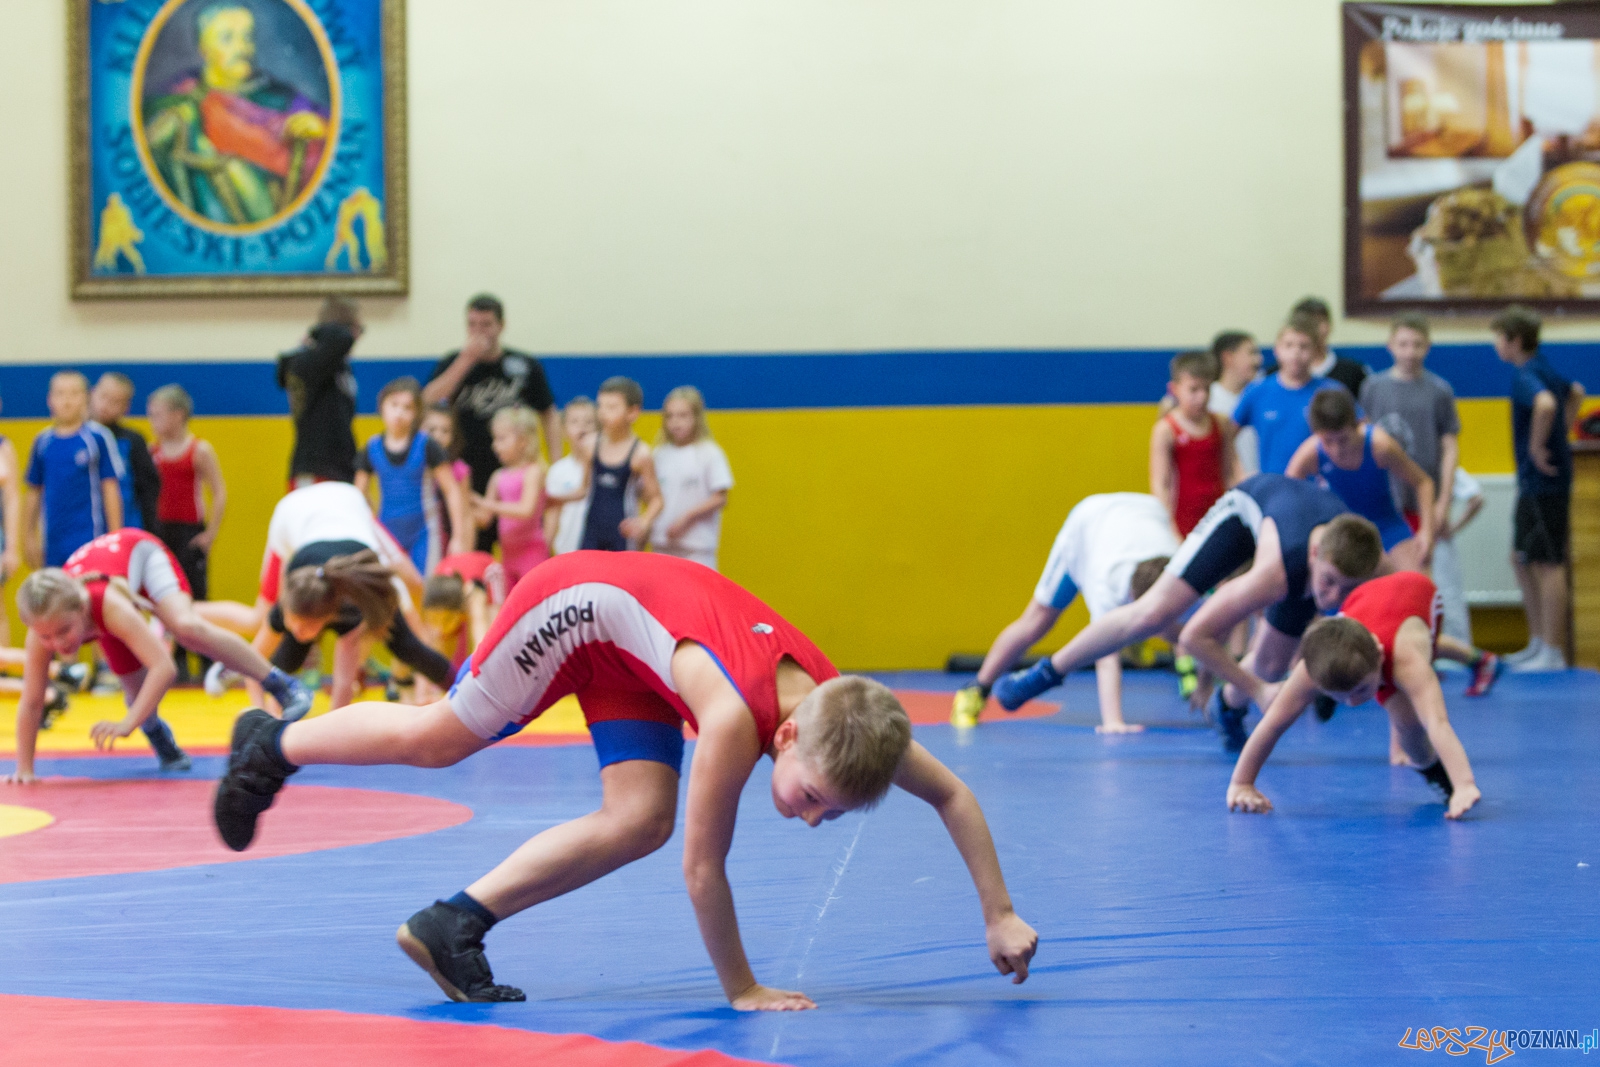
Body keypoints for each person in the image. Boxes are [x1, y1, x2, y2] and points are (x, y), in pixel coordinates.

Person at [212, 551, 1039, 1008]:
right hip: (576, 605)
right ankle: (272, 744)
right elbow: (702, 869)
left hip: (638, 647)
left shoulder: (856, 717)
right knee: (441, 737)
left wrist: (999, 914)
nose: (813, 819)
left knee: (641, 816)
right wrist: (742, 988)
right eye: (812, 797)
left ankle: (450, 925)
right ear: (782, 733)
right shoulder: (729, 719)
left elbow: (953, 793)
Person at [995, 474, 1383, 752]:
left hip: (1294, 530)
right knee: (1153, 613)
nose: (1333, 597)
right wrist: (1257, 691)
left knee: (1271, 661)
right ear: (1316, 556)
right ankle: (1046, 672)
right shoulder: (1274, 574)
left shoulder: (1356, 563)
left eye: (1347, 588)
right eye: (1330, 582)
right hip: (1242, 514)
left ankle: (1227, 710)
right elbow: (1193, 637)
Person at [5, 529, 314, 782]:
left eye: (64, 631)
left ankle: (281, 684)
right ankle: (161, 738)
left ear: (82, 609)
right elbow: (32, 701)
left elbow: (164, 668)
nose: (56, 643)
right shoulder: (43, 627)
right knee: (136, 694)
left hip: (140, 552)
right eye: (46, 636)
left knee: (185, 626)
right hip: (107, 597)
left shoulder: (107, 605)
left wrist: (127, 723)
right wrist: (25, 769)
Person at [1225, 571, 1489, 821]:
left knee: (1410, 730)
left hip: (1420, 594)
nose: (1353, 703)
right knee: (1331, 682)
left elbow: (1437, 722)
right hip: (1363, 598)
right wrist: (1241, 783)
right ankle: (1338, 689)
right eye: (1343, 697)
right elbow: (1272, 724)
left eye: (1361, 691)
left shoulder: (1405, 660)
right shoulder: (1310, 668)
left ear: (1379, 654)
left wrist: (1463, 784)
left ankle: (1437, 774)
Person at [950, 493, 1177, 732]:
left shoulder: (1180, 579)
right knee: (1036, 621)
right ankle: (975, 689)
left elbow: (1198, 630)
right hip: (1086, 527)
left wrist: (1202, 686)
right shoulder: (1106, 583)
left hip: (1147, 512)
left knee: (1169, 623)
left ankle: (1133, 633)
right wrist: (1113, 721)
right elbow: (1105, 656)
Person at [234, 482, 453, 715]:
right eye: (294, 623)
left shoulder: (351, 609)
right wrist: (262, 715)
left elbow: (343, 685)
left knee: (406, 646)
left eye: (307, 626)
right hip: (292, 514)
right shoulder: (289, 602)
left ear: (330, 615)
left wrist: (333, 730)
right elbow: (253, 663)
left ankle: (462, 688)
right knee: (290, 655)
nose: (298, 631)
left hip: (349, 504)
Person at [141, 3, 330, 226]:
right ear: (204, 48)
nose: (243, 49)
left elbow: (329, 130)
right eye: (227, 38)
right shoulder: (181, 101)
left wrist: (319, 128)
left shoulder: (281, 96)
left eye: (247, 38)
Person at [423, 295, 560, 550]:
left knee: (522, 546)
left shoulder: (523, 365)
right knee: (472, 548)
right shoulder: (453, 361)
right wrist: (465, 361)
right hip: (466, 472)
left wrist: (555, 464)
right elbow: (428, 400)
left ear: (501, 325)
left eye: (485, 324)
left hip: (516, 473)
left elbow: (549, 414)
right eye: (472, 324)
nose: (478, 331)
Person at [1493, 305, 1585, 672]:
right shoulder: (1542, 366)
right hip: (1537, 483)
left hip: (1544, 481)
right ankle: (1537, 641)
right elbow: (1574, 392)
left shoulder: (1526, 374)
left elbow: (1546, 404)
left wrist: (1536, 445)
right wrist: (1562, 428)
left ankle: (1552, 649)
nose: (1496, 345)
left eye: (1498, 338)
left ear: (1513, 341)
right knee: (1520, 557)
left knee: (1548, 562)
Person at [1286, 388, 1435, 572]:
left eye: (1343, 440)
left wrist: (1426, 531)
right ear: (1317, 434)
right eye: (1328, 441)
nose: (1336, 449)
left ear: (1357, 425)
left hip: (1386, 526)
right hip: (1340, 534)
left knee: (1418, 584)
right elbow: (1287, 499)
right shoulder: (1310, 454)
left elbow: (1423, 483)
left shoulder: (1380, 446)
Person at [355, 377, 471, 575]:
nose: (399, 413)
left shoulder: (427, 445)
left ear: (417, 414)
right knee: (391, 590)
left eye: (407, 408)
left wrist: (458, 536)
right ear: (382, 407)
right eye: (394, 405)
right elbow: (358, 494)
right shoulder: (371, 447)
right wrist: (370, 525)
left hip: (424, 532)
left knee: (424, 590)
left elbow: (451, 490)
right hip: (387, 531)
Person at [1359, 316, 1460, 539]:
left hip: (1422, 500)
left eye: (1417, 345)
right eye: (1403, 344)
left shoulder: (1439, 390)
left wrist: (1443, 502)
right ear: (1390, 346)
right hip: (1382, 497)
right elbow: (1363, 441)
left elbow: (1450, 449)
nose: (1410, 352)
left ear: (1428, 347)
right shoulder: (1372, 388)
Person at [23, 371, 123, 568]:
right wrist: (28, 537)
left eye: (74, 394)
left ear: (87, 397)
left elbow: (110, 489)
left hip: (89, 539)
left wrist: (114, 538)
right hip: (52, 543)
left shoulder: (97, 438)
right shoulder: (43, 442)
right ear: (50, 400)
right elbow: (34, 492)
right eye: (60, 394)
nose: (67, 401)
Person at [1232, 316, 1347, 476]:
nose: (1296, 352)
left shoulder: (1333, 391)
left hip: (1322, 489)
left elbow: (1361, 434)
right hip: (1273, 489)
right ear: (1277, 349)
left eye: (1304, 346)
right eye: (1289, 345)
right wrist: (1239, 475)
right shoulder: (1258, 391)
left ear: (1315, 351)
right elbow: (1225, 437)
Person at [1150, 351, 1234, 537]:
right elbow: (1160, 485)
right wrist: (1169, 530)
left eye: (1207, 389)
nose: (1202, 397)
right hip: (1181, 521)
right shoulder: (1166, 430)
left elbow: (1231, 472)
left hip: (1217, 516)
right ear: (1175, 389)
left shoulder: (1221, 423)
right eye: (1194, 390)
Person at [279, 297, 361, 487]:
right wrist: (322, 330)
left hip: (341, 467)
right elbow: (342, 339)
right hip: (315, 467)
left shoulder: (336, 366)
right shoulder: (308, 364)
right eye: (358, 329)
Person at [651, 386, 735, 569]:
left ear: (696, 417)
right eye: (670, 416)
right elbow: (650, 494)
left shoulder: (709, 453)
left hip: (697, 548)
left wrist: (686, 517)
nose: (676, 422)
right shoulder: (659, 454)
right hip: (663, 545)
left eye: (683, 416)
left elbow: (720, 497)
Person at [579, 377, 662, 552]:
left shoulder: (641, 454)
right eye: (600, 406)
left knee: (620, 578)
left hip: (622, 534)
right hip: (591, 531)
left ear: (632, 412)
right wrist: (553, 498)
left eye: (612, 407)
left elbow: (657, 499)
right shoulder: (590, 445)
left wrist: (644, 522)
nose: (603, 413)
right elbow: (583, 489)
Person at [471, 407, 549, 588]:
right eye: (494, 439)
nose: (495, 446)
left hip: (532, 552)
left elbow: (525, 510)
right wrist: (463, 502)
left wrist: (485, 503)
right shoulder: (498, 476)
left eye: (502, 439)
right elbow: (484, 519)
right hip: (507, 555)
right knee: (509, 606)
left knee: (532, 602)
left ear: (523, 441)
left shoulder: (533, 471)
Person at [90, 373, 161, 533]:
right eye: (103, 396)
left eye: (115, 402)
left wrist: (150, 532)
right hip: (86, 530)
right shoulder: (76, 438)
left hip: (126, 529)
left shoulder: (133, 441)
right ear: (92, 394)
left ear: (126, 408)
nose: (106, 405)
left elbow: (148, 492)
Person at [421, 552, 507, 674]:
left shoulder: (474, 596)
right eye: (435, 620)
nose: (439, 628)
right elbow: (425, 652)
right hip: (450, 576)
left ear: (459, 614)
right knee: (437, 641)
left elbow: (481, 644)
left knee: (495, 635)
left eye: (444, 620)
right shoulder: (435, 590)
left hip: (486, 573)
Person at [543, 397, 597, 555]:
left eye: (589, 422)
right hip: (567, 550)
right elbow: (552, 514)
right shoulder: (558, 471)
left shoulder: (607, 465)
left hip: (601, 549)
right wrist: (546, 548)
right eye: (575, 422)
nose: (582, 427)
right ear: (564, 429)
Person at [1291, 296, 1370, 397]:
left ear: (1329, 325)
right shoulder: (1276, 376)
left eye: (1319, 321)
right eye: (1307, 323)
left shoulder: (1353, 373)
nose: (1313, 329)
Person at [421, 404, 474, 550]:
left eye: (445, 431)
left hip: (447, 542)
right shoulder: (413, 466)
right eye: (432, 430)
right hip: (419, 539)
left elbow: (466, 515)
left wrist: (464, 548)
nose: (438, 435)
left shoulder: (458, 469)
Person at [1210, 331, 1261, 477]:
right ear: (1228, 358)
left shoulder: (1259, 395)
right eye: (1251, 353)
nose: (1258, 359)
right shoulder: (1209, 399)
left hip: (1258, 484)